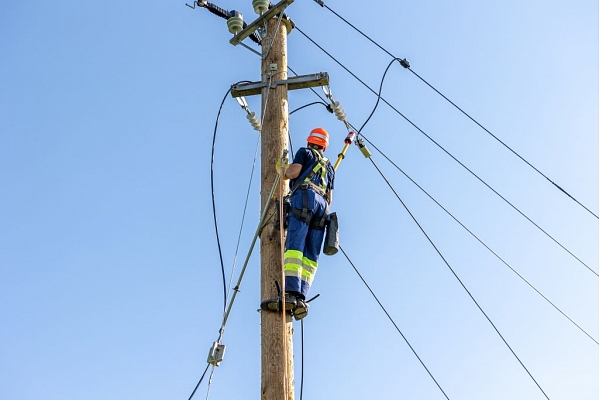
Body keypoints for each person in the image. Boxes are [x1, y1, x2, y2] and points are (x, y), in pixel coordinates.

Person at [262, 127, 335, 320]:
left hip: (305, 200)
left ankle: (290, 294)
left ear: (309, 141)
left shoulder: (305, 152)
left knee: (295, 247)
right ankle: (301, 297)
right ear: (324, 148)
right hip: (322, 210)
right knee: (310, 255)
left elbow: (293, 173)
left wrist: (283, 170)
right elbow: (330, 197)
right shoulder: (330, 167)